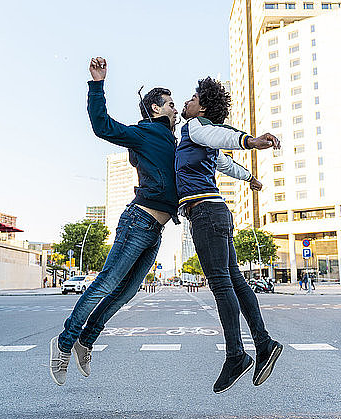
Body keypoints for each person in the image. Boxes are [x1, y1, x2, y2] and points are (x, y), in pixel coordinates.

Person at [49, 57, 179, 386]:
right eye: (170, 105)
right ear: (154, 109)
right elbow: (102, 126)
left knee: (125, 294)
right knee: (105, 284)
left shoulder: (172, 142)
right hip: (138, 222)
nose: (175, 110)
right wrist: (97, 85)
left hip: (155, 232)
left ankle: (85, 341)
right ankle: (64, 343)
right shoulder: (144, 133)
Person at [175, 77, 283, 393]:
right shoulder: (198, 141)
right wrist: (251, 177)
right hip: (217, 213)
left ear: (203, 108)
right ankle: (263, 345)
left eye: (193, 98)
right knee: (234, 279)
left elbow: (223, 136)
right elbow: (225, 163)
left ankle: (236, 354)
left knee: (222, 283)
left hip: (206, 214)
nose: (188, 101)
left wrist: (250, 141)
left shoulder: (196, 127)